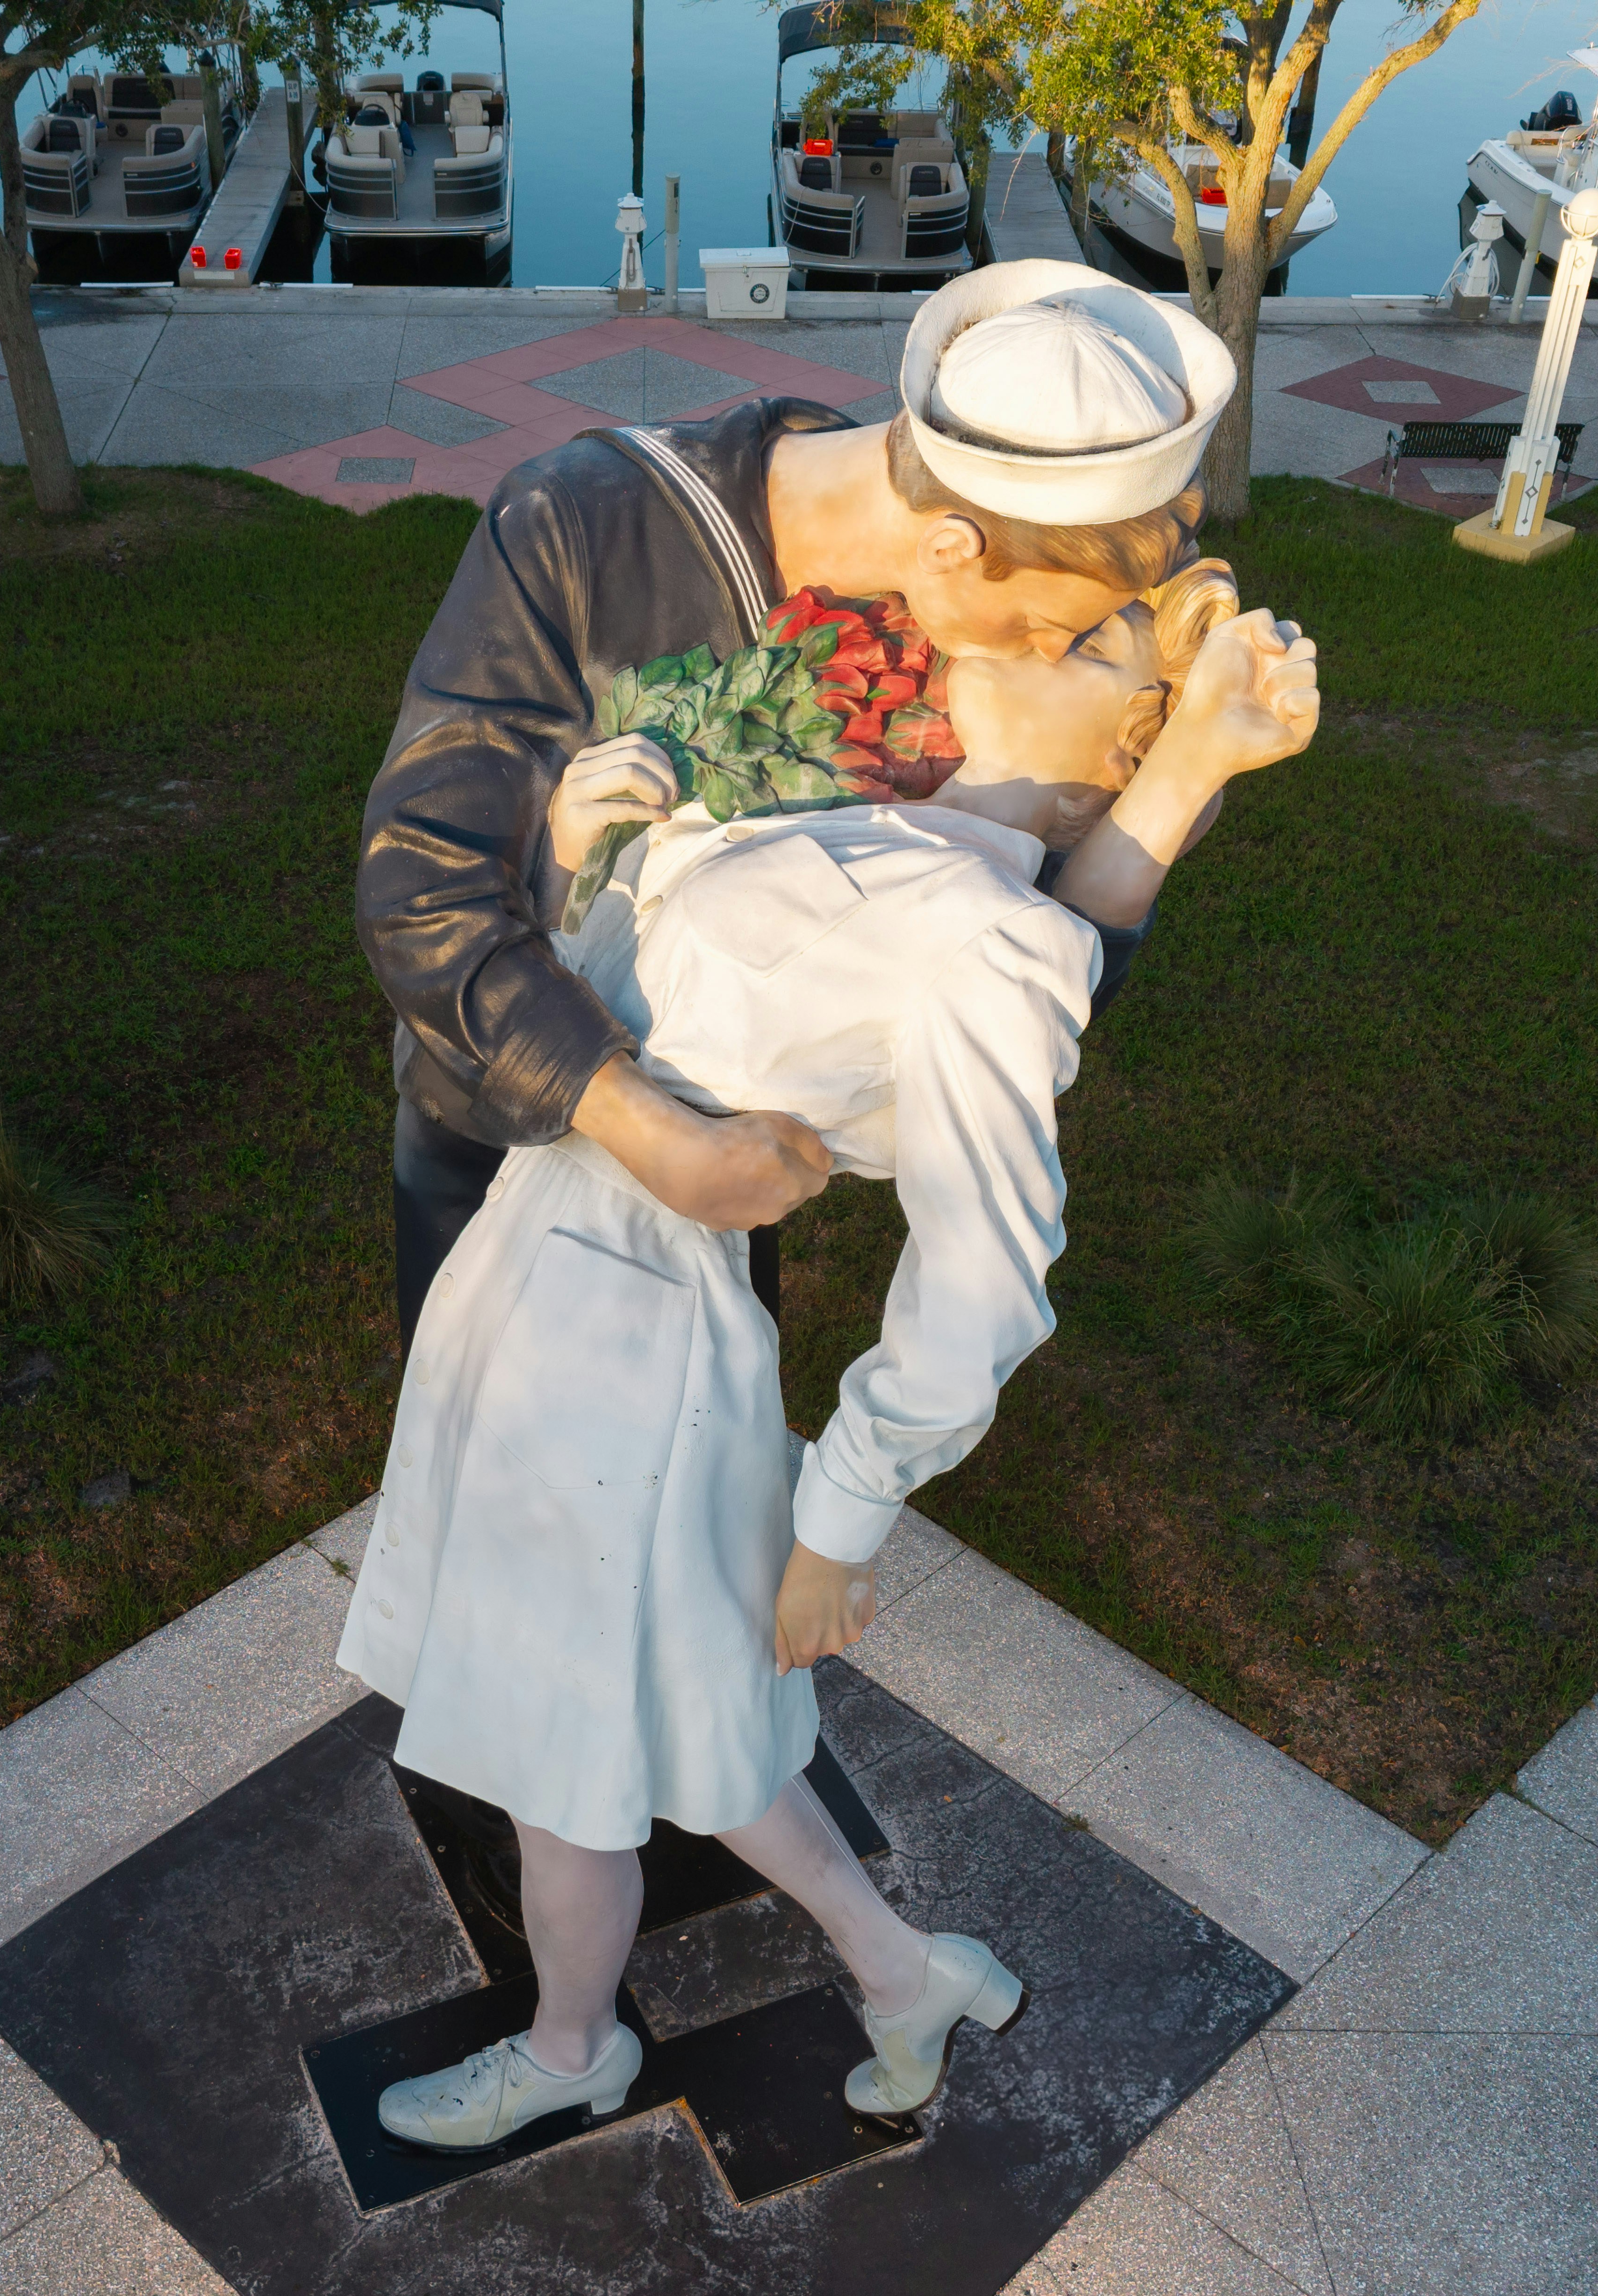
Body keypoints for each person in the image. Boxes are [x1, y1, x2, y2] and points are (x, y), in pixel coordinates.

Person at [337, 561, 1325, 2150]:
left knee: (561, 1752)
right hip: (543, 1291)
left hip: (624, 1362)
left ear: (1123, 733)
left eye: (1082, 636)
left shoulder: (988, 947)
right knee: (683, 1718)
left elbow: (990, 1282)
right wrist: (571, 848)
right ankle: (900, 1966)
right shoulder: (880, 819)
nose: (1017, 613)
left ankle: (574, 2044)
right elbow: (600, 1007)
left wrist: (837, 1520)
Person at [357, 262, 1241, 1346]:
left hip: (737, 1185)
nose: (1040, 659)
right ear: (954, 546)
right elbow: (419, 891)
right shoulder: (578, 529)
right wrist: (654, 1138)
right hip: (512, 1135)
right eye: (1048, 631)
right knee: (491, 1483)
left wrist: (1178, 777)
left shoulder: (953, 637)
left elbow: (1010, 982)